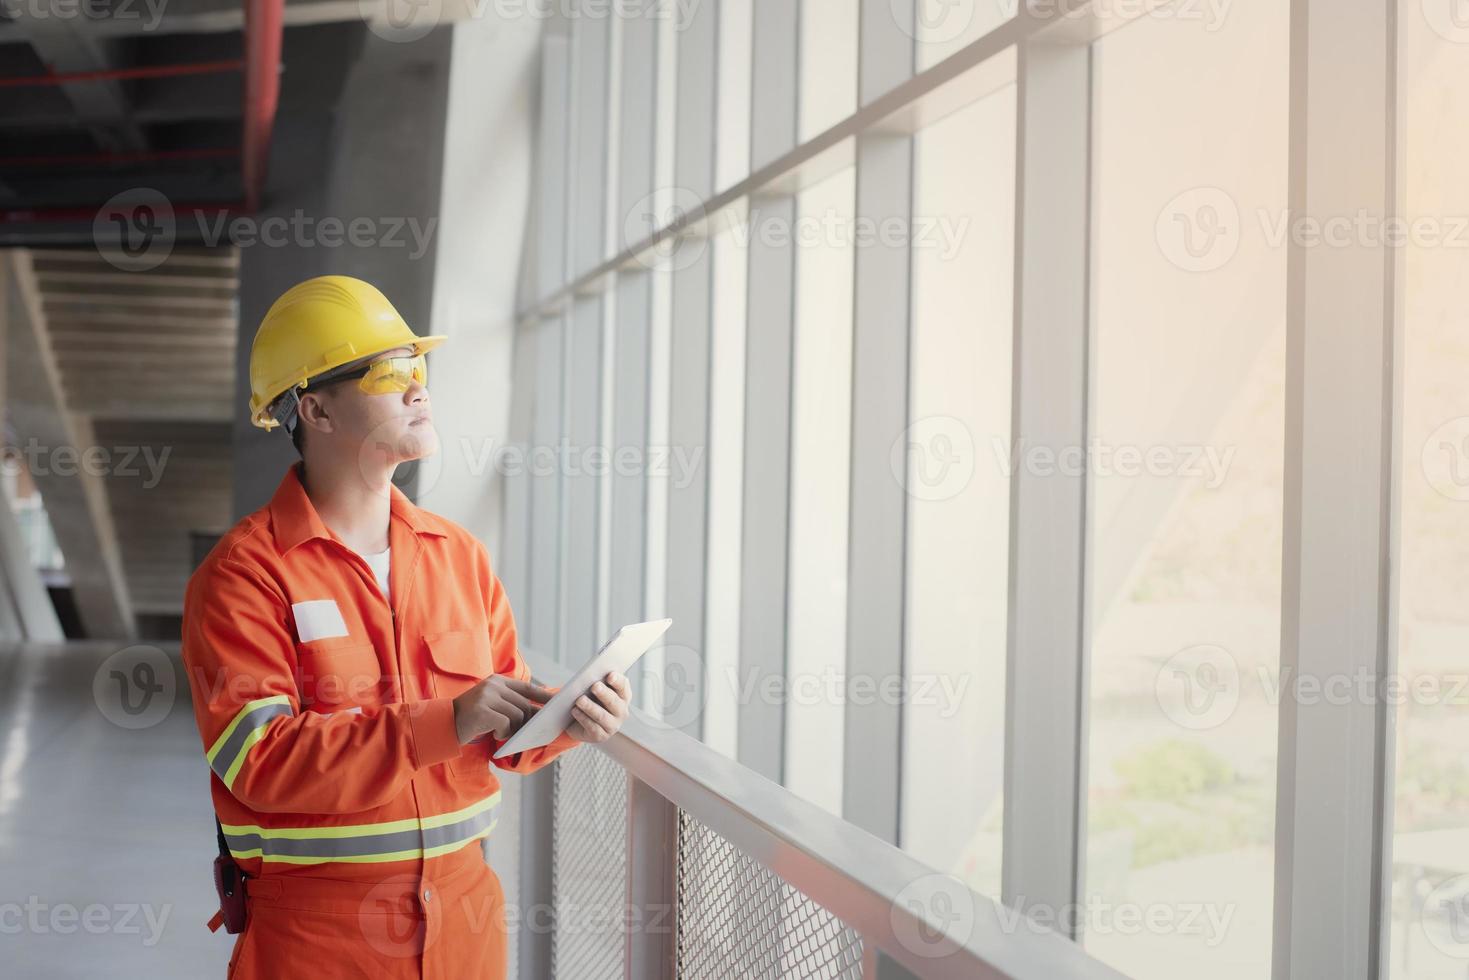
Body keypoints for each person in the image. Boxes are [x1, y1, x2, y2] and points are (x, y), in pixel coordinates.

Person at [181, 275, 631, 978]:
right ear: (317, 410)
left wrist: (567, 721)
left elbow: (497, 737)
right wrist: (443, 721)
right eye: (393, 372)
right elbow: (259, 758)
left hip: (465, 919)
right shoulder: (246, 573)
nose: (420, 389)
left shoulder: (457, 555)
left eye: (420, 368)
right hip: (318, 937)